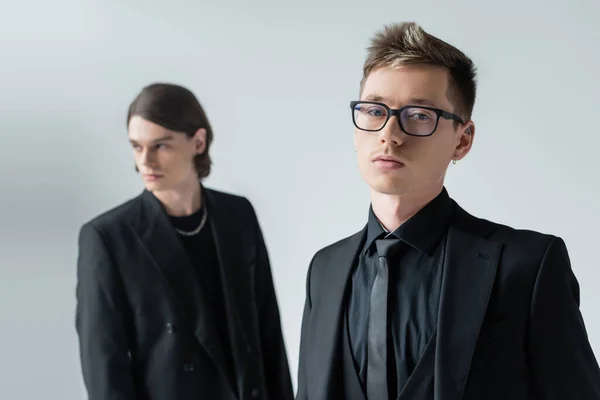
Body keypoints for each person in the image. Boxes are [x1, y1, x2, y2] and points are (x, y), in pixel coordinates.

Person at [296, 22, 600, 400]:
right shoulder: (324, 270)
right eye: (375, 110)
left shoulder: (528, 265)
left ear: (463, 139)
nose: (390, 134)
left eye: (420, 115)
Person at [75, 83, 293, 400]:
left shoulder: (237, 215)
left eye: (160, 146)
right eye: (137, 147)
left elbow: (268, 333)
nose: (145, 161)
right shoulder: (108, 238)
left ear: (198, 142)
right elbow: (105, 370)